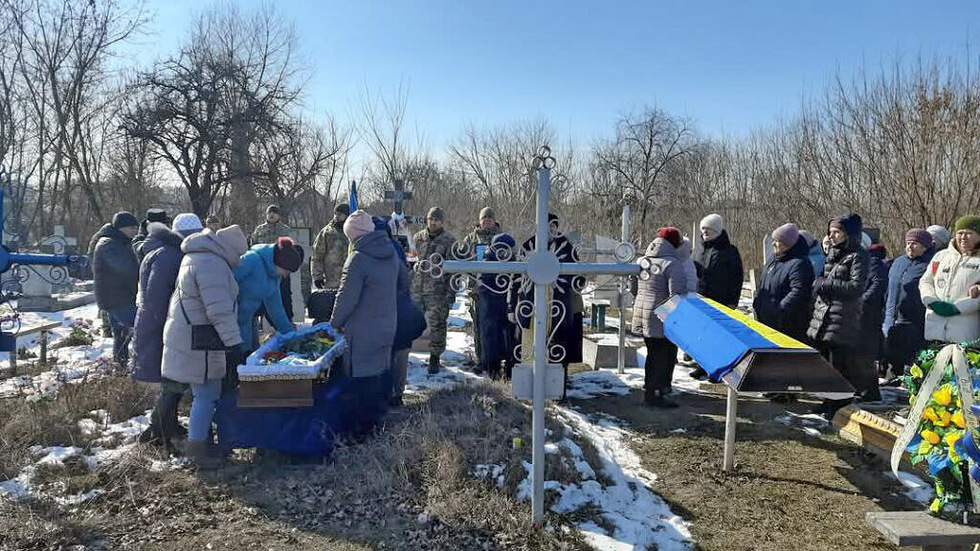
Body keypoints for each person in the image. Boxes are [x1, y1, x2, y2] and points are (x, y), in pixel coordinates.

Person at [161, 225, 248, 464]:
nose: (238, 260)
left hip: (190, 336)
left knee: (204, 395)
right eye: (239, 255)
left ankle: (202, 447)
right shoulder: (212, 264)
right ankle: (199, 454)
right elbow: (218, 311)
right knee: (206, 395)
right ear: (231, 250)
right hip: (200, 341)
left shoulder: (198, 257)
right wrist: (235, 344)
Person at [133, 213, 203, 447]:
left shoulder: (168, 252)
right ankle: (158, 429)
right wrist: (170, 325)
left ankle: (169, 424)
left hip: (164, 324)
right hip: (161, 326)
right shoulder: (168, 256)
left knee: (174, 379)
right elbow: (156, 298)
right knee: (171, 381)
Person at [331, 210, 399, 426]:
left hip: (364, 330)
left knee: (362, 381)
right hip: (387, 324)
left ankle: (363, 431)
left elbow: (346, 298)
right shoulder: (391, 253)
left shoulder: (358, 259)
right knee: (381, 374)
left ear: (354, 235)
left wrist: (333, 324)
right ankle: (380, 424)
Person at [807, 214, 871, 417]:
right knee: (826, 364)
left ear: (848, 234)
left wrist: (823, 285)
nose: (831, 236)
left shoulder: (859, 256)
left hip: (842, 318)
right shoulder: (834, 254)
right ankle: (828, 401)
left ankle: (840, 406)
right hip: (825, 316)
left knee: (840, 365)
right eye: (830, 231)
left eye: (837, 232)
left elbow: (856, 287)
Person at [513, 214, 580, 400]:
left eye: (553, 226)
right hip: (531, 307)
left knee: (558, 349)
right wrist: (512, 306)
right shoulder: (528, 245)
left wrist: (559, 280)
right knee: (530, 347)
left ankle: (557, 391)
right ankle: (530, 389)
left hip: (558, 308)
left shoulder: (566, 246)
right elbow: (516, 277)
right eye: (547, 226)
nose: (550, 230)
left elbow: (578, 276)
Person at [631, 228, 687, 408]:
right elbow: (676, 295)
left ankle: (650, 390)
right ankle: (656, 394)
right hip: (662, 316)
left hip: (643, 312)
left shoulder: (643, 260)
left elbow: (634, 288)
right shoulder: (672, 263)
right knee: (663, 355)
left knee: (652, 354)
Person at [377, 217, 425, 406]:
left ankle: (388, 393)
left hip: (386, 307)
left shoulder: (373, 250)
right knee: (401, 352)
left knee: (391, 352)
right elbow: (404, 278)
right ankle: (397, 394)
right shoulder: (396, 247)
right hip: (401, 305)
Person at [692, 213, 743, 379]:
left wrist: (732, 302)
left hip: (720, 300)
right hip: (700, 301)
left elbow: (737, 278)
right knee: (701, 336)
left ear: (717, 230)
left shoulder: (729, 251)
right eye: (703, 229)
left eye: (709, 229)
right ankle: (701, 365)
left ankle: (717, 371)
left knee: (717, 338)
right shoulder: (699, 250)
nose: (705, 232)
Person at [881, 229, 936, 384]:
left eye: (915, 243)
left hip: (916, 320)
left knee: (914, 358)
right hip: (893, 316)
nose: (910, 247)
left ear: (925, 246)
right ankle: (892, 382)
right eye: (908, 243)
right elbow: (889, 288)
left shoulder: (929, 264)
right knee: (892, 354)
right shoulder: (899, 262)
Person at [919, 216, 980, 345]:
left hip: (964, 333)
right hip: (935, 330)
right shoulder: (941, 256)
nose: (963, 237)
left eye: (969, 233)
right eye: (960, 233)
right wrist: (931, 302)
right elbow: (926, 281)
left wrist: (957, 308)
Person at [92, 211, 141, 370]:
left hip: (119, 296)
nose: (136, 230)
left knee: (121, 336)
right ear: (121, 228)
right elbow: (124, 268)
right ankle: (131, 367)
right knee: (139, 327)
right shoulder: (108, 244)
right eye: (132, 227)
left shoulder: (119, 241)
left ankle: (120, 367)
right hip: (116, 298)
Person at [234, 236, 300, 353]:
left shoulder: (275, 277)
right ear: (279, 263)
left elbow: (276, 309)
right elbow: (226, 280)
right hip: (228, 321)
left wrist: (292, 337)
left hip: (245, 322)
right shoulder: (251, 260)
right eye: (286, 271)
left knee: (245, 357)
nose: (285, 275)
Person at [412, 207, 457, 374]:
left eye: (436, 219)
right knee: (412, 322)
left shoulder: (449, 241)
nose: (433, 222)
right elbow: (413, 260)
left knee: (437, 325)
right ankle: (407, 355)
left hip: (438, 292)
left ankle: (435, 358)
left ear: (442, 221)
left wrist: (450, 293)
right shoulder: (418, 238)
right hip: (418, 288)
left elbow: (454, 270)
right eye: (431, 219)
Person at [754, 224, 815, 341]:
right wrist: (758, 302)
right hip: (767, 321)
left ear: (787, 244)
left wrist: (779, 310)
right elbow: (763, 283)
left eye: (777, 241)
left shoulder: (799, 263)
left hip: (787, 325)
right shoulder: (773, 260)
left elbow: (799, 291)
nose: (773, 244)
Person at [462, 207, 502, 369]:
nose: (487, 222)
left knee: (496, 326)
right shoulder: (470, 239)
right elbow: (461, 260)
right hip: (477, 291)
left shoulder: (502, 238)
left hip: (498, 291)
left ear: (494, 221)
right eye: (484, 219)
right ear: (480, 221)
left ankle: (495, 361)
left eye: (490, 219)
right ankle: (481, 360)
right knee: (479, 326)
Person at [478, 233, 518, 379]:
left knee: (511, 341)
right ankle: (491, 372)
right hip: (490, 309)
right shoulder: (487, 261)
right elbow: (482, 285)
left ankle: (510, 370)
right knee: (491, 341)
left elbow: (517, 282)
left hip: (509, 309)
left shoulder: (514, 262)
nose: (505, 253)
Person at [856, 236, 887, 402]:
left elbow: (877, 285)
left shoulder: (872, 262)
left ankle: (869, 391)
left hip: (866, 316)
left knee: (864, 355)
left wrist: (859, 301)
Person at [250, 205, 295, 319]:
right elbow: (252, 247)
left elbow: (291, 250)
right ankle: (262, 321)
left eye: (274, 213)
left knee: (284, 295)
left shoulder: (286, 230)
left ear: (278, 215)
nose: (272, 215)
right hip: (263, 269)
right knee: (262, 296)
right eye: (269, 213)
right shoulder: (259, 230)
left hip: (281, 268)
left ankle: (288, 320)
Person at [309, 203, 350, 322]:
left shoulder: (352, 231)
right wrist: (317, 275)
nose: (337, 216)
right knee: (330, 312)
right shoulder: (326, 232)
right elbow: (317, 255)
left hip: (349, 279)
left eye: (340, 214)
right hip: (331, 280)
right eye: (335, 214)